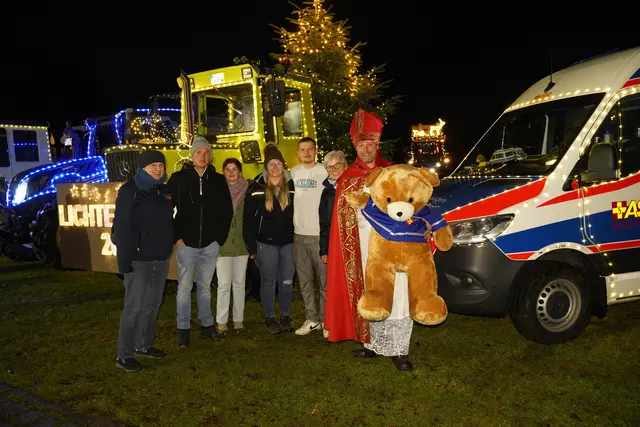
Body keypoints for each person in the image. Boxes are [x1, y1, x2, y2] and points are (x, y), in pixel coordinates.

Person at [324, 108, 414, 371]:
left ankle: (400, 350)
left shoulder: (392, 172)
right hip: (361, 245)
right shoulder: (348, 177)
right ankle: (371, 342)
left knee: (397, 291)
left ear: (377, 145)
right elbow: (342, 216)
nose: (365, 149)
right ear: (356, 147)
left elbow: (408, 203)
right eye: (361, 145)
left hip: (392, 243)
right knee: (366, 290)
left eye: (370, 144)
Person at [168, 135, 233, 348]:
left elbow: (226, 211)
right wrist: (177, 238)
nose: (203, 156)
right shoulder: (178, 179)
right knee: (184, 288)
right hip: (185, 244)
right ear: (192, 155)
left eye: (206, 153)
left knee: (205, 287)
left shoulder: (218, 180)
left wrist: (218, 239)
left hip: (210, 245)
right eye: (199, 152)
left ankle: (207, 326)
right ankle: (183, 330)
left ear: (210, 156)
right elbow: (166, 210)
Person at [113, 150, 174, 372]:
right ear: (142, 168)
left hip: (160, 257)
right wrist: (124, 262)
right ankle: (124, 355)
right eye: (153, 165)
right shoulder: (130, 191)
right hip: (138, 260)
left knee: (153, 304)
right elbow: (121, 228)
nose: (158, 169)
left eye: (161, 165)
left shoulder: (163, 190)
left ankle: (143, 345)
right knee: (134, 307)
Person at [243, 143, 296, 334]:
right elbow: (248, 219)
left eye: (278, 163)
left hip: (289, 243)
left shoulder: (292, 186)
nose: (275, 167)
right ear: (266, 167)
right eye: (271, 164)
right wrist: (251, 246)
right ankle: (270, 317)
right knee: (268, 281)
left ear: (283, 166)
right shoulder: (256, 188)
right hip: (265, 244)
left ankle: (285, 315)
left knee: (287, 280)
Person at [290, 137, 329, 337]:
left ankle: (326, 320)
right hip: (299, 235)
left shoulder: (324, 171)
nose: (306, 153)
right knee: (304, 282)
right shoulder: (294, 172)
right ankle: (312, 319)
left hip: (319, 236)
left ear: (315, 150)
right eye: (302, 149)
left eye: (310, 149)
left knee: (324, 282)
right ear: (298, 153)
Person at [215, 158, 251, 334]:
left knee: (239, 284)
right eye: (227, 169)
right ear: (223, 173)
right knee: (223, 285)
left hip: (242, 245)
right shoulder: (218, 192)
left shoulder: (247, 191)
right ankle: (221, 321)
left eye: (234, 169)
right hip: (223, 245)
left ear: (240, 172)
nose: (231, 172)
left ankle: (238, 320)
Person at [317, 150, 347, 338]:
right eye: (330, 167)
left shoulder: (353, 187)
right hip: (334, 246)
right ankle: (335, 323)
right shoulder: (326, 192)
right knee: (335, 286)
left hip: (352, 243)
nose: (334, 169)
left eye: (337, 165)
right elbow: (324, 224)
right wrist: (324, 249)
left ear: (345, 165)